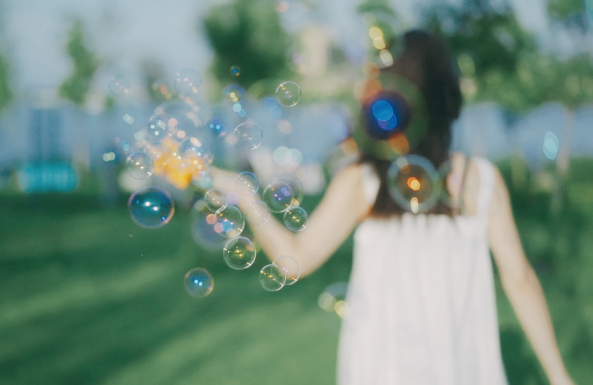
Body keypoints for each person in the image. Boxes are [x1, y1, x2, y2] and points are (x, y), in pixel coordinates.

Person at [212, 30, 574, 385]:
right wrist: (559, 377)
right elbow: (521, 280)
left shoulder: (363, 180)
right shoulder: (480, 179)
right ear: (446, 98)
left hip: (383, 370)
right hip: (462, 366)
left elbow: (294, 260)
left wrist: (245, 194)